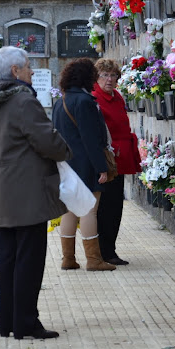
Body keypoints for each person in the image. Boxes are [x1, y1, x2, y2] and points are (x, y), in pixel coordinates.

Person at [0, 46, 71, 340]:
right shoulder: (21, 99)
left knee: (10, 259)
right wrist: (65, 150)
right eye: (27, 66)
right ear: (15, 71)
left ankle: (9, 323)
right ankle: (26, 323)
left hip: (3, 188)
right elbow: (45, 138)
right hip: (27, 190)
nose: (31, 71)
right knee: (29, 259)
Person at [52, 58, 116, 272]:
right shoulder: (86, 102)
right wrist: (101, 167)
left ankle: (67, 258)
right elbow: (90, 139)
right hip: (86, 164)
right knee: (89, 210)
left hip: (65, 163)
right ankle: (94, 260)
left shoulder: (60, 102)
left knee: (69, 211)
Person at [93, 59, 141, 265]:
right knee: (106, 207)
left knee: (115, 206)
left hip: (121, 158)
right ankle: (104, 252)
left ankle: (110, 249)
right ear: (96, 77)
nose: (110, 79)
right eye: (105, 75)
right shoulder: (95, 99)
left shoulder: (117, 97)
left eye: (113, 75)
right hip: (108, 158)